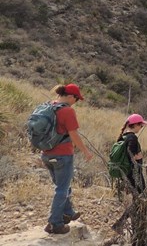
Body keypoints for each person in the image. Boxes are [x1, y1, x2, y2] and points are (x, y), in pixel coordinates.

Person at [41, 84, 93, 235]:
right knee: (62, 189)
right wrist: (86, 151)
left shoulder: (48, 106)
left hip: (46, 154)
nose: (76, 102)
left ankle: (68, 212)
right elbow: (74, 134)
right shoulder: (67, 111)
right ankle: (54, 224)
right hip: (63, 155)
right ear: (71, 97)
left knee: (62, 185)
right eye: (77, 99)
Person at [111, 113, 147, 233]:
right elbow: (132, 155)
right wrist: (140, 156)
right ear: (135, 125)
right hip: (134, 173)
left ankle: (132, 224)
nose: (141, 128)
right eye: (140, 125)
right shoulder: (132, 138)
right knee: (140, 198)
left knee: (138, 199)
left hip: (128, 173)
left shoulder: (124, 136)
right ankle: (121, 223)